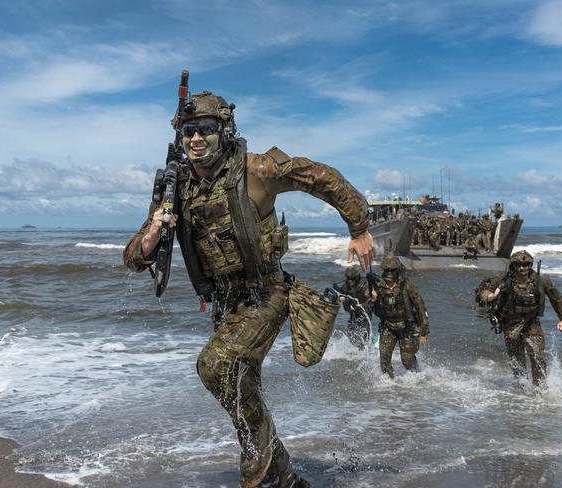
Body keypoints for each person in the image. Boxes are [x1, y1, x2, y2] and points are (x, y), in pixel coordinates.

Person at [123, 89, 374, 488]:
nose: (196, 139)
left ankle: (255, 466)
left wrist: (359, 227)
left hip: (267, 293)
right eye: (189, 131)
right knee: (240, 388)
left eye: (205, 129)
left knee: (215, 366)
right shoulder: (178, 189)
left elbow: (320, 177)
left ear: (224, 130)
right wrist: (154, 232)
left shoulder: (255, 170)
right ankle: (285, 476)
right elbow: (134, 258)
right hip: (227, 306)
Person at [485, 250, 562, 387]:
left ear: (530, 265)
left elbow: (556, 298)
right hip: (510, 325)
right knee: (516, 359)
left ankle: (540, 388)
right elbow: (484, 289)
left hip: (532, 324)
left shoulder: (541, 280)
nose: (522, 268)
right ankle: (521, 386)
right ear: (513, 266)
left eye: (525, 264)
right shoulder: (504, 280)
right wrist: (490, 296)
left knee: (537, 356)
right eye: (518, 265)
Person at [370, 254, 429, 378]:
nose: (389, 273)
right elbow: (368, 310)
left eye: (392, 270)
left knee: (407, 361)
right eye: (387, 270)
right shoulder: (378, 286)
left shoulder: (407, 287)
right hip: (388, 327)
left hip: (407, 328)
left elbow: (421, 308)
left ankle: (418, 376)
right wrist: (373, 299)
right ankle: (389, 385)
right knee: (384, 360)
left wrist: (423, 331)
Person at [336, 265, 373, 349]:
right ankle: (355, 353)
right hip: (353, 314)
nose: (350, 281)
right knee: (351, 334)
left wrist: (358, 307)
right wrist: (341, 299)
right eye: (348, 279)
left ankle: (365, 351)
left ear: (357, 277)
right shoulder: (345, 286)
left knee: (364, 334)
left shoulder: (365, 285)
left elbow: (370, 303)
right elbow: (344, 303)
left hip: (365, 313)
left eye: (352, 279)